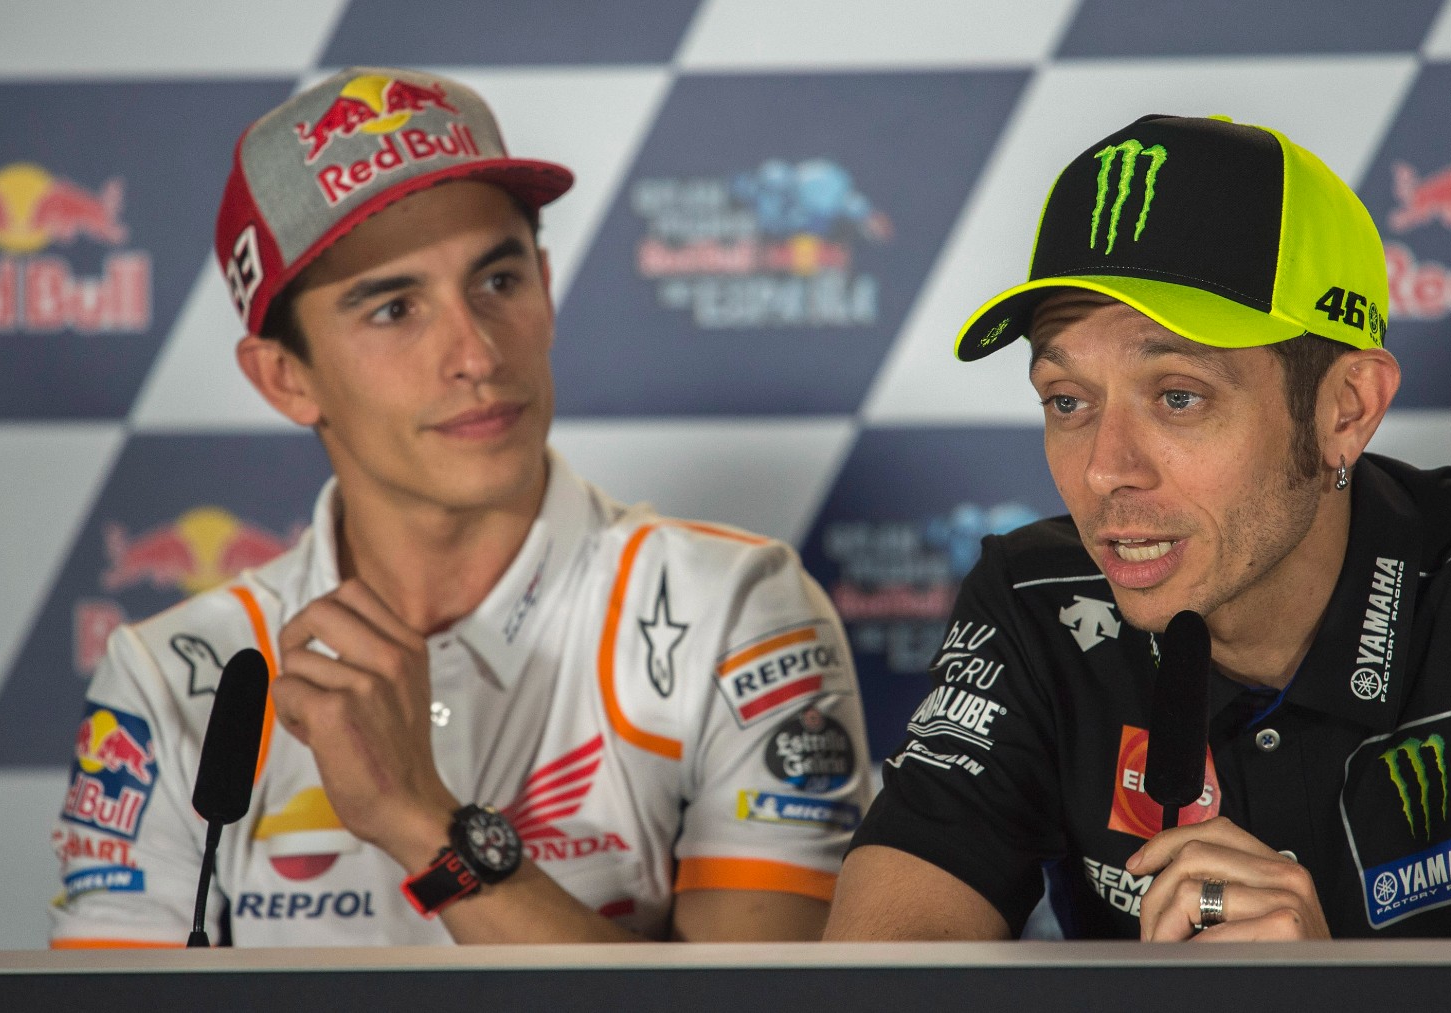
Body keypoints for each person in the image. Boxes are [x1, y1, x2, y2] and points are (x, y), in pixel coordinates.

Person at [825, 114, 1451, 941]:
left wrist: (1333, 993)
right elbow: (882, 969)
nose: (1107, 468)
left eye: (1179, 395)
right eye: (1067, 400)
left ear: (1346, 410)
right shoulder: (1036, 603)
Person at [50, 67, 869, 947]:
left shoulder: (734, 608)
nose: (475, 351)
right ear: (285, 377)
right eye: (395, 307)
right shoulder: (176, 675)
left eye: (499, 281)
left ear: (547, 289)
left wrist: (417, 818)